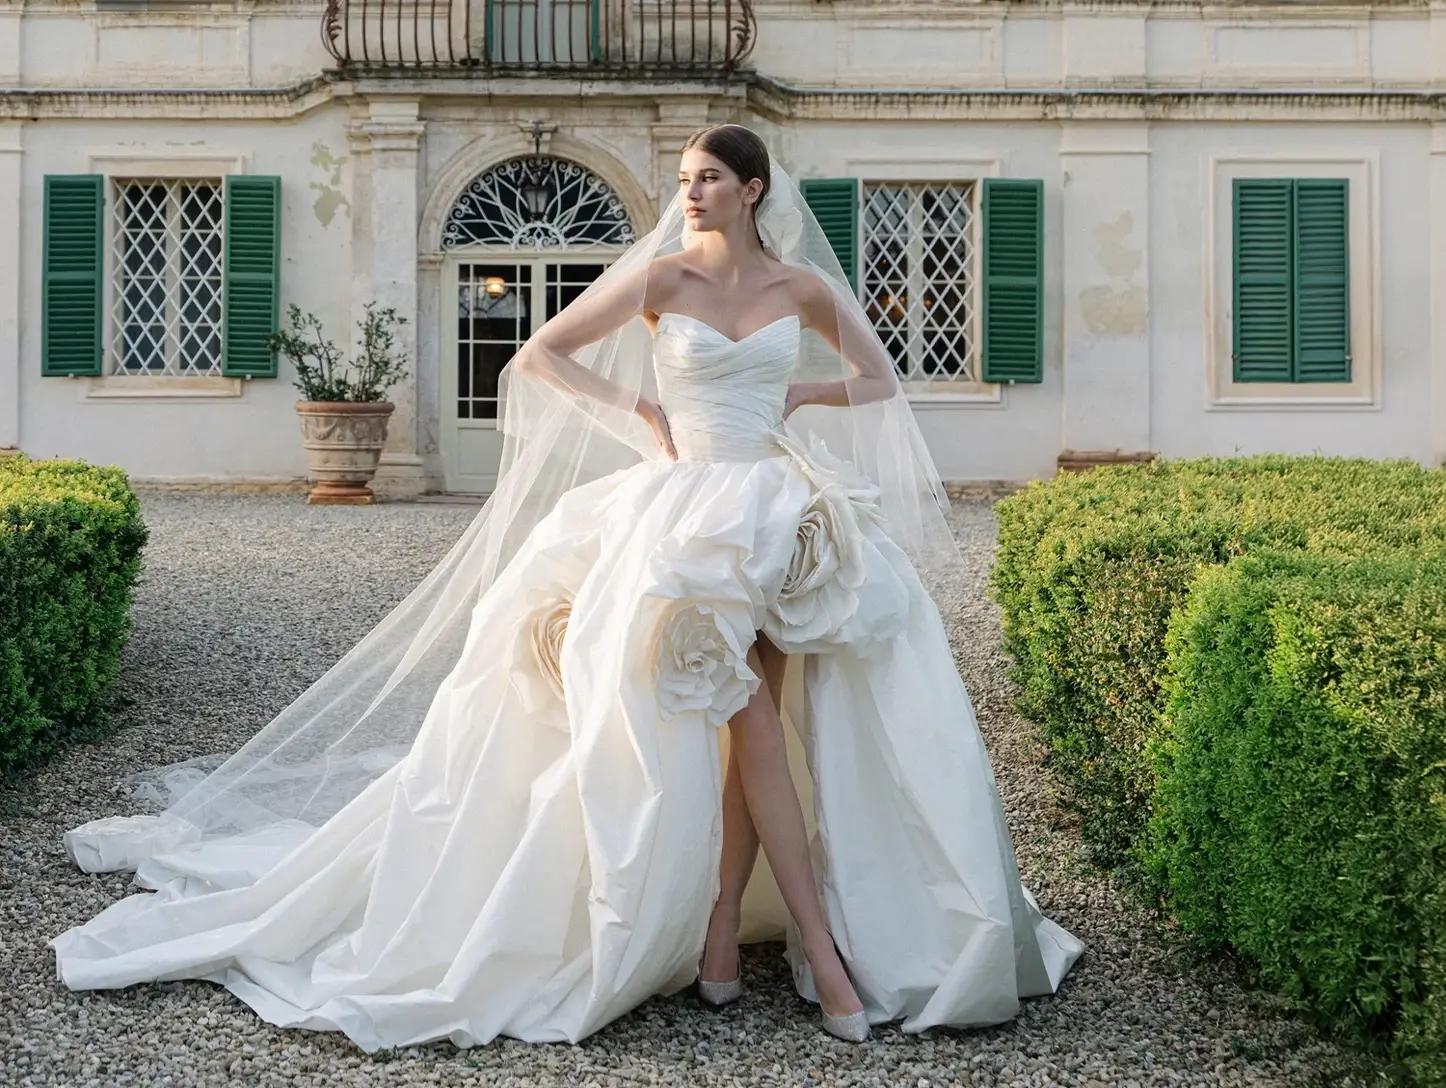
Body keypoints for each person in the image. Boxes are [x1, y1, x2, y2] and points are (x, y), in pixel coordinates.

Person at [49, 123, 1083, 1051]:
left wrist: (803, 391)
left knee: (760, 713)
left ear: (755, 189)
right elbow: (542, 353)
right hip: (683, 513)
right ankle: (809, 944)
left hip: (778, 506)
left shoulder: (801, 289)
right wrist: (639, 413)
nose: (690, 192)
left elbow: (881, 379)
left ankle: (728, 932)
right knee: (748, 714)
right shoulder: (664, 280)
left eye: (709, 177)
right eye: (684, 177)